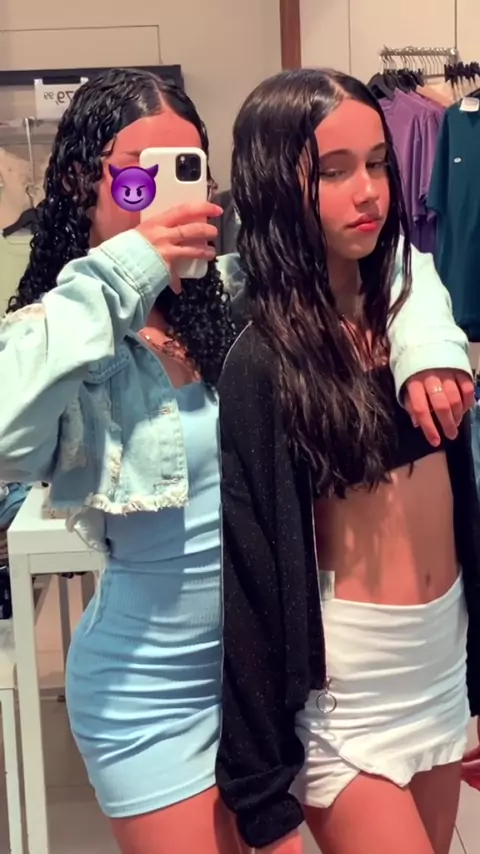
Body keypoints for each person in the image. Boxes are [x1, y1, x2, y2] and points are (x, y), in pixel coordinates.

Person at [0, 67, 474, 854]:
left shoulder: (233, 300)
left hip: (280, 668)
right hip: (155, 688)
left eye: (187, 172)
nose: (164, 200)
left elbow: (387, 264)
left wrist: (427, 345)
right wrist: (130, 267)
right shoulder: (69, 334)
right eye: (138, 178)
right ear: (84, 185)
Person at [214, 68, 480, 854]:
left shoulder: (414, 321)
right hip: (348, 699)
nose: (368, 192)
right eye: (333, 172)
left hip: (440, 665)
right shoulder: (262, 358)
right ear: (276, 182)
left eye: (377, 164)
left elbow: (463, 508)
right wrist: (262, 797)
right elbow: (253, 573)